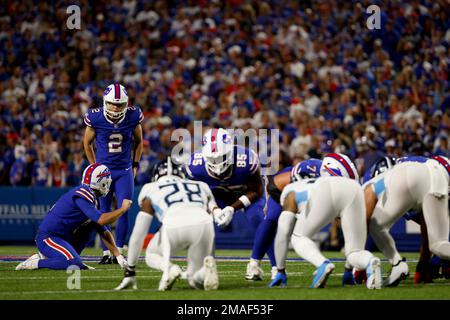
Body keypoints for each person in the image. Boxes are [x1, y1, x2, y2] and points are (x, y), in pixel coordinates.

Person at [270, 153, 382, 289]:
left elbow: (282, 234)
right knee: (354, 251)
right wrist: (347, 270)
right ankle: (370, 261)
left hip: (325, 190)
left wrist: (280, 271)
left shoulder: (290, 191)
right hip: (355, 189)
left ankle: (323, 263)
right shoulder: (331, 178)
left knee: (298, 237)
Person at [115, 158, 219, 291]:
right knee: (194, 280)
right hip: (204, 223)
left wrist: (130, 270)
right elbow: (209, 210)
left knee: (151, 254)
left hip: (173, 224)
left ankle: (170, 268)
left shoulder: (150, 188)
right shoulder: (200, 185)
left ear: (156, 176)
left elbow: (138, 234)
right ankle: (204, 271)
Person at [184, 128, 272, 280]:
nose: (217, 163)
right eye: (212, 158)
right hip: (216, 197)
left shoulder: (246, 158)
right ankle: (200, 264)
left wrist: (232, 208)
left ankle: (262, 265)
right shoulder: (195, 165)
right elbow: (198, 195)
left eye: (221, 157)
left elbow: (256, 191)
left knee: (258, 220)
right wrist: (214, 209)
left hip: (246, 193)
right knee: (198, 219)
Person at [15, 163, 131, 270]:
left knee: (92, 225)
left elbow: (103, 231)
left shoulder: (91, 197)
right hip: (49, 237)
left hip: (62, 237)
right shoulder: (84, 194)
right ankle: (34, 263)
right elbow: (102, 220)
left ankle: (66, 258)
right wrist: (122, 209)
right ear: (101, 182)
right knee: (73, 264)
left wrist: (119, 256)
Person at [363, 155, 450, 287]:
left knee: (376, 227)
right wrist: (423, 263)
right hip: (437, 176)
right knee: (438, 245)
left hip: (429, 174)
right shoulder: (404, 170)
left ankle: (398, 264)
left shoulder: (374, 183)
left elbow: (364, 219)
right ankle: (399, 265)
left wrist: (355, 263)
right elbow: (426, 226)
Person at [83, 83, 144, 264]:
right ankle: (107, 253)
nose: (116, 108)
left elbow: (139, 142)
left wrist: (135, 164)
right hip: (104, 172)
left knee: (124, 210)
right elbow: (87, 143)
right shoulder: (95, 117)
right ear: (105, 102)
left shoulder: (133, 115)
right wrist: (94, 167)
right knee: (103, 211)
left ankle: (120, 250)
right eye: (112, 104)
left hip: (124, 170)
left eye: (119, 104)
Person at [247, 159, 322, 281]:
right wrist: (268, 202)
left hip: (310, 195)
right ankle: (255, 264)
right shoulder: (285, 178)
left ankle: (319, 263)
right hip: (282, 188)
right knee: (272, 219)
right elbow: (273, 185)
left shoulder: (333, 182)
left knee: (305, 229)